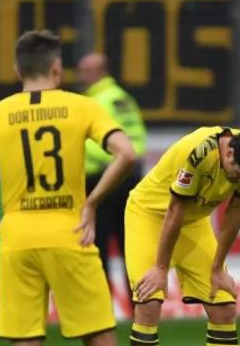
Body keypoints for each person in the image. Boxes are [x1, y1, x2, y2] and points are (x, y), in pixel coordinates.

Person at [0, 30, 137, 346]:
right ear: (56, 68)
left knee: (25, 337)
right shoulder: (82, 106)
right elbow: (126, 154)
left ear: (18, 71)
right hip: (71, 233)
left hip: (18, 237)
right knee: (98, 334)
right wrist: (92, 203)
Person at [126, 126, 240, 346]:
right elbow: (174, 210)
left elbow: (234, 214)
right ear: (229, 153)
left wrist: (218, 268)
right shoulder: (200, 153)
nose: (237, 182)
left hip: (194, 222)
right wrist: (160, 268)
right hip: (150, 215)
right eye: (235, 175)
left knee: (224, 307)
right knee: (149, 301)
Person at [78, 53, 148, 300]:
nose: (81, 76)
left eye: (85, 71)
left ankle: (102, 307)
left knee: (97, 249)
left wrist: (78, 150)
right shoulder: (123, 99)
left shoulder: (95, 102)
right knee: (131, 246)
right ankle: (140, 307)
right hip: (130, 179)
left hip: (103, 181)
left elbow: (96, 145)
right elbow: (137, 139)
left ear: (100, 71)